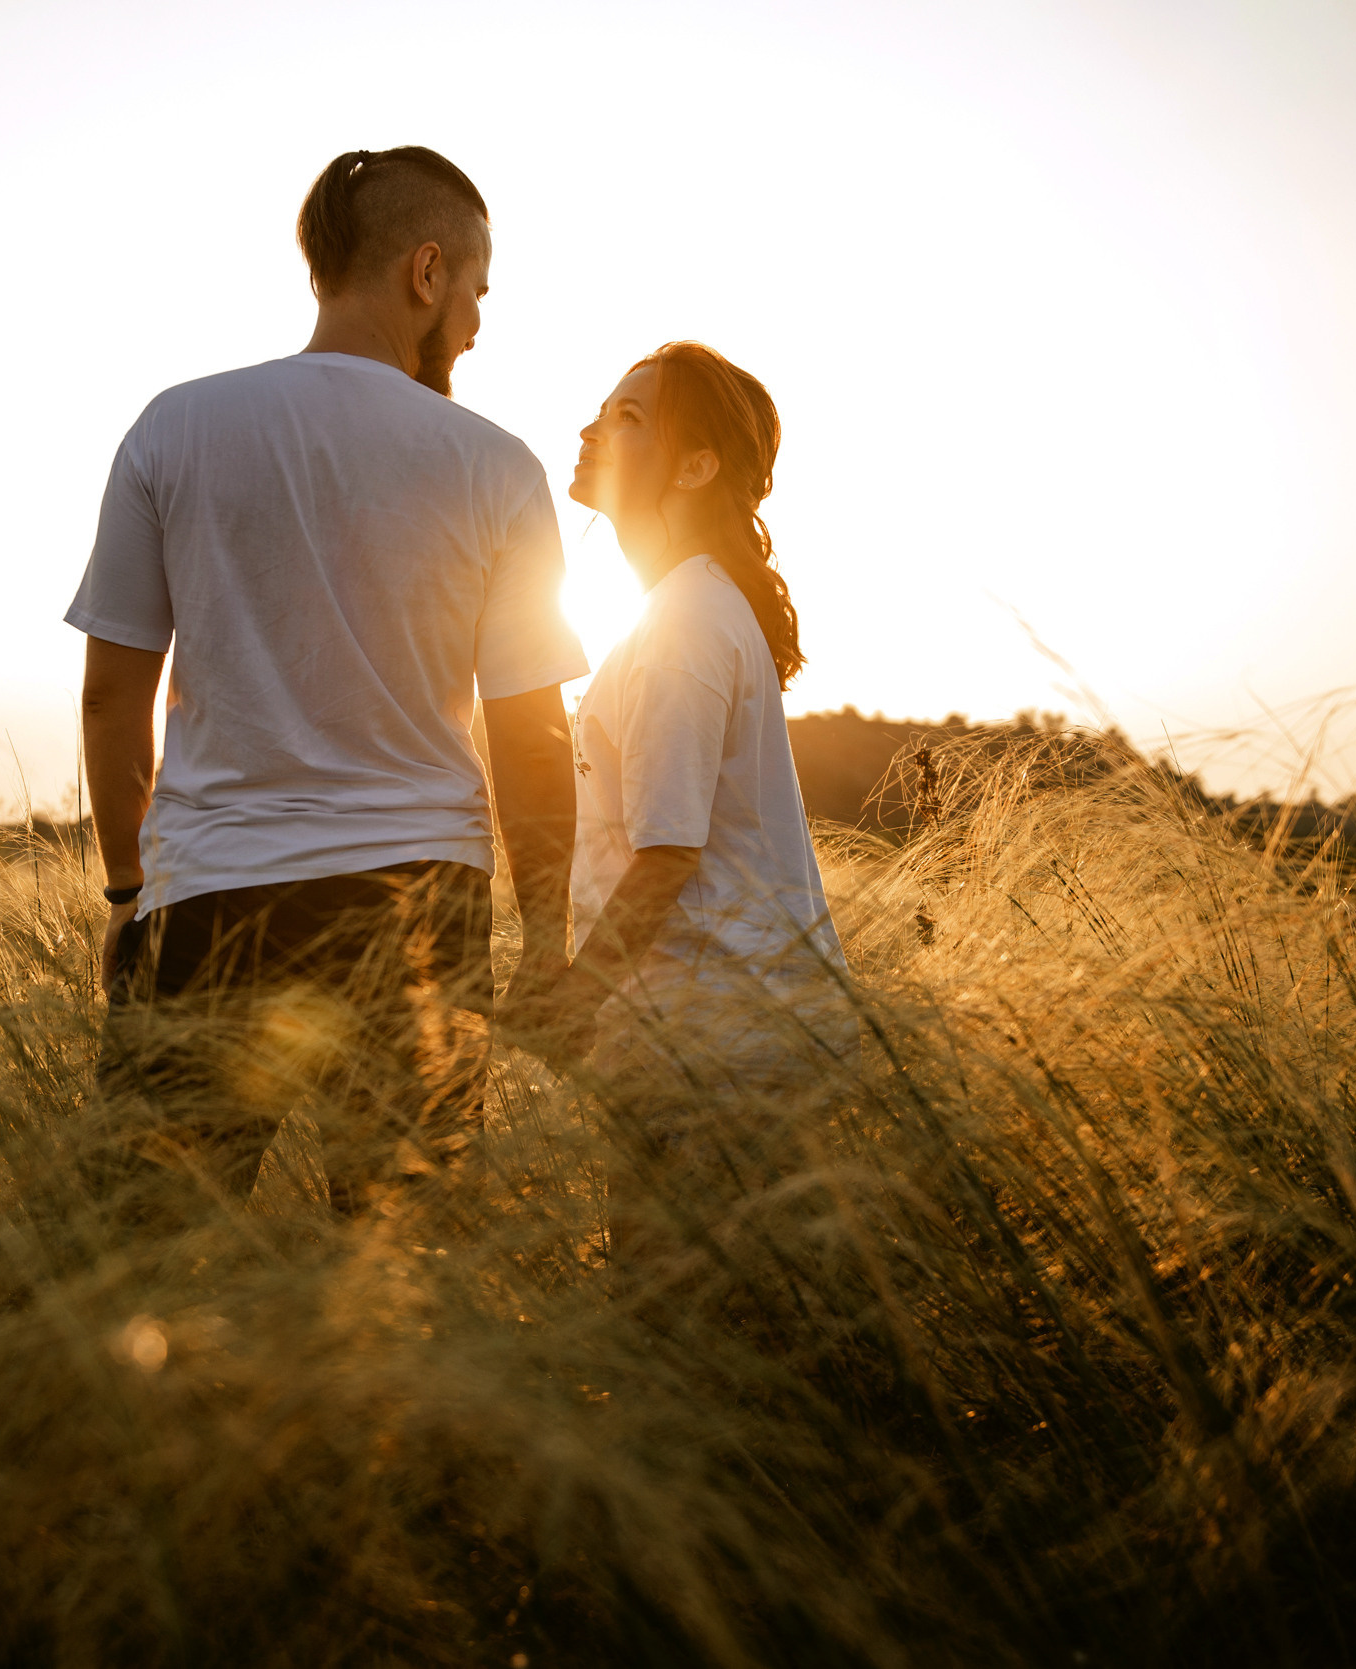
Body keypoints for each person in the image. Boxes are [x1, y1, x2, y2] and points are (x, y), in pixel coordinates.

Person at [67, 147, 585, 1225]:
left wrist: (130, 894)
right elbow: (530, 731)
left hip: (207, 901)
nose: (480, 327)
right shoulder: (495, 466)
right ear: (426, 272)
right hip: (417, 909)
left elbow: (112, 697)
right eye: (480, 294)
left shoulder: (175, 426)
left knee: (144, 1248)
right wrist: (542, 939)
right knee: (399, 1265)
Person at [537, 342, 855, 1273]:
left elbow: (666, 856)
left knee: (670, 1329)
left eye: (629, 416)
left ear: (696, 465)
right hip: (736, 1033)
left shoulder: (681, 625)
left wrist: (568, 1001)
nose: (593, 427)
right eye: (600, 409)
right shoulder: (690, 609)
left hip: (716, 1049)